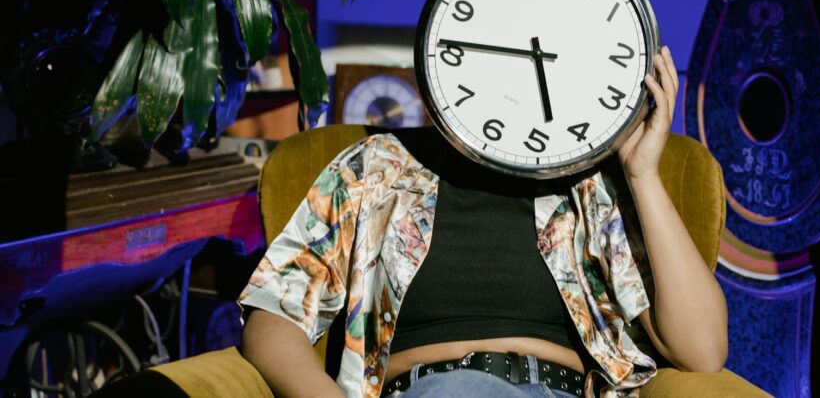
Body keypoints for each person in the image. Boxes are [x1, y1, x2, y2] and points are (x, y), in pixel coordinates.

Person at [237, 46, 728, 397]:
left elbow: (702, 349)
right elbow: (273, 316)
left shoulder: (591, 185)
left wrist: (641, 174)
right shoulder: (377, 163)